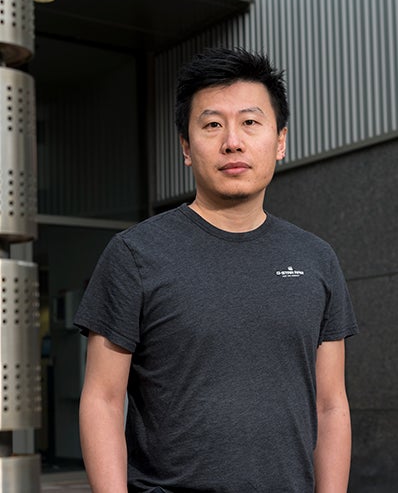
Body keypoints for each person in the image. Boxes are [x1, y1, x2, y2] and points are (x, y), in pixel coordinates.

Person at [75, 47, 359, 493]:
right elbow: (102, 400)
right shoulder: (135, 254)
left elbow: (331, 406)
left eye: (250, 122)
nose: (232, 141)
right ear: (187, 148)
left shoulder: (316, 259)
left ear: (280, 140)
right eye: (212, 125)